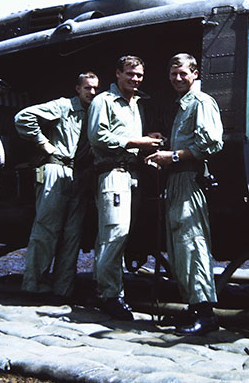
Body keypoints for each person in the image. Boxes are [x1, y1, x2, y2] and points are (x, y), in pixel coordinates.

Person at [145, 53, 223, 335]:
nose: (178, 79)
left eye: (183, 74)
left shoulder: (201, 102)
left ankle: (206, 314)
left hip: (189, 180)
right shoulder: (184, 106)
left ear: (195, 73)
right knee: (179, 247)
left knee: (192, 244)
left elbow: (212, 143)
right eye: (173, 74)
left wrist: (173, 156)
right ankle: (192, 308)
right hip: (177, 181)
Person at [87, 55, 163, 320]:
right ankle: (110, 296)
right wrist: (137, 142)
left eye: (139, 75)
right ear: (118, 73)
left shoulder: (139, 103)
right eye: (130, 74)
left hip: (133, 175)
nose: (135, 79)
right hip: (113, 173)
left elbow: (135, 137)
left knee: (116, 235)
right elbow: (98, 137)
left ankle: (101, 287)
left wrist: (149, 140)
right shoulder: (103, 101)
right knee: (114, 233)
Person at [14, 72, 99, 302]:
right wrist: (44, 144)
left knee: (72, 236)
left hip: (79, 176)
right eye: (87, 88)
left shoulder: (95, 112)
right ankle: (33, 286)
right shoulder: (62, 107)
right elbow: (24, 117)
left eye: (95, 89)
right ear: (77, 89)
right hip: (55, 171)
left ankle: (63, 289)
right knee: (46, 231)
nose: (91, 92)